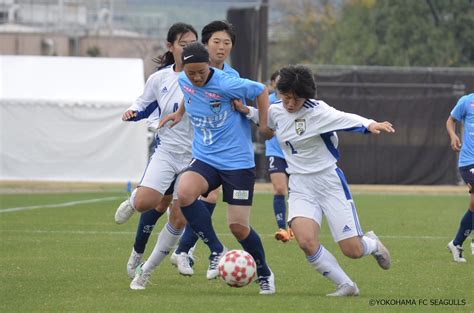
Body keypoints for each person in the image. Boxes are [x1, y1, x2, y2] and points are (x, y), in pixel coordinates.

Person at [265, 65, 394, 296]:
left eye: (296, 99)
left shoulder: (319, 111)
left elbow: (347, 118)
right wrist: (242, 109)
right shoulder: (275, 110)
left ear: (307, 96)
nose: (291, 104)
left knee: (352, 250)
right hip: (300, 184)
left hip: (328, 182)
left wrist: (370, 124)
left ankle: (372, 244)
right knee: (305, 241)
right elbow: (259, 117)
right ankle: (346, 285)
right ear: (279, 93)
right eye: (286, 97)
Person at [160, 41, 275, 295]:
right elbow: (188, 94)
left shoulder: (226, 83)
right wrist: (179, 113)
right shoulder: (184, 80)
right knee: (186, 192)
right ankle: (216, 248)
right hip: (206, 157)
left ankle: (264, 272)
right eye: (192, 73)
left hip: (237, 163)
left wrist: (264, 126)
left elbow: (261, 90)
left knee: (239, 227)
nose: (197, 77)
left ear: (209, 65)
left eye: (201, 71)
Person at [112, 22, 200, 288]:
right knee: (148, 204)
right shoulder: (160, 78)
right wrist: (132, 112)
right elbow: (144, 104)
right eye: (183, 45)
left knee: (179, 212)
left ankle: (157, 264)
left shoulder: (207, 76)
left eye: (193, 44)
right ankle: (137, 245)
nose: (188, 49)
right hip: (167, 150)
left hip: (197, 157)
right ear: (170, 47)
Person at [169, 20, 247, 276]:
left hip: (221, 149)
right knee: (173, 201)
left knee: (206, 197)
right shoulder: (193, 68)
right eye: (216, 42)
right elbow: (189, 91)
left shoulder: (231, 77)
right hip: (198, 145)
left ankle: (187, 250)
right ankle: (189, 250)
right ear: (205, 45)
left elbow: (241, 108)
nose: (222, 48)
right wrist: (180, 113)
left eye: (227, 43)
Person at [446, 92, 474, 263]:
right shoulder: (466, 101)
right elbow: (450, 121)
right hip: (469, 162)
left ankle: (456, 244)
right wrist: (453, 135)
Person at [265, 70, 293, 243]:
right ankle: (282, 227)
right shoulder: (267, 101)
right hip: (275, 151)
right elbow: (262, 123)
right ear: (273, 84)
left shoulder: (294, 101)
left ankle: (294, 227)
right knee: (280, 189)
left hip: (294, 152)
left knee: (297, 191)